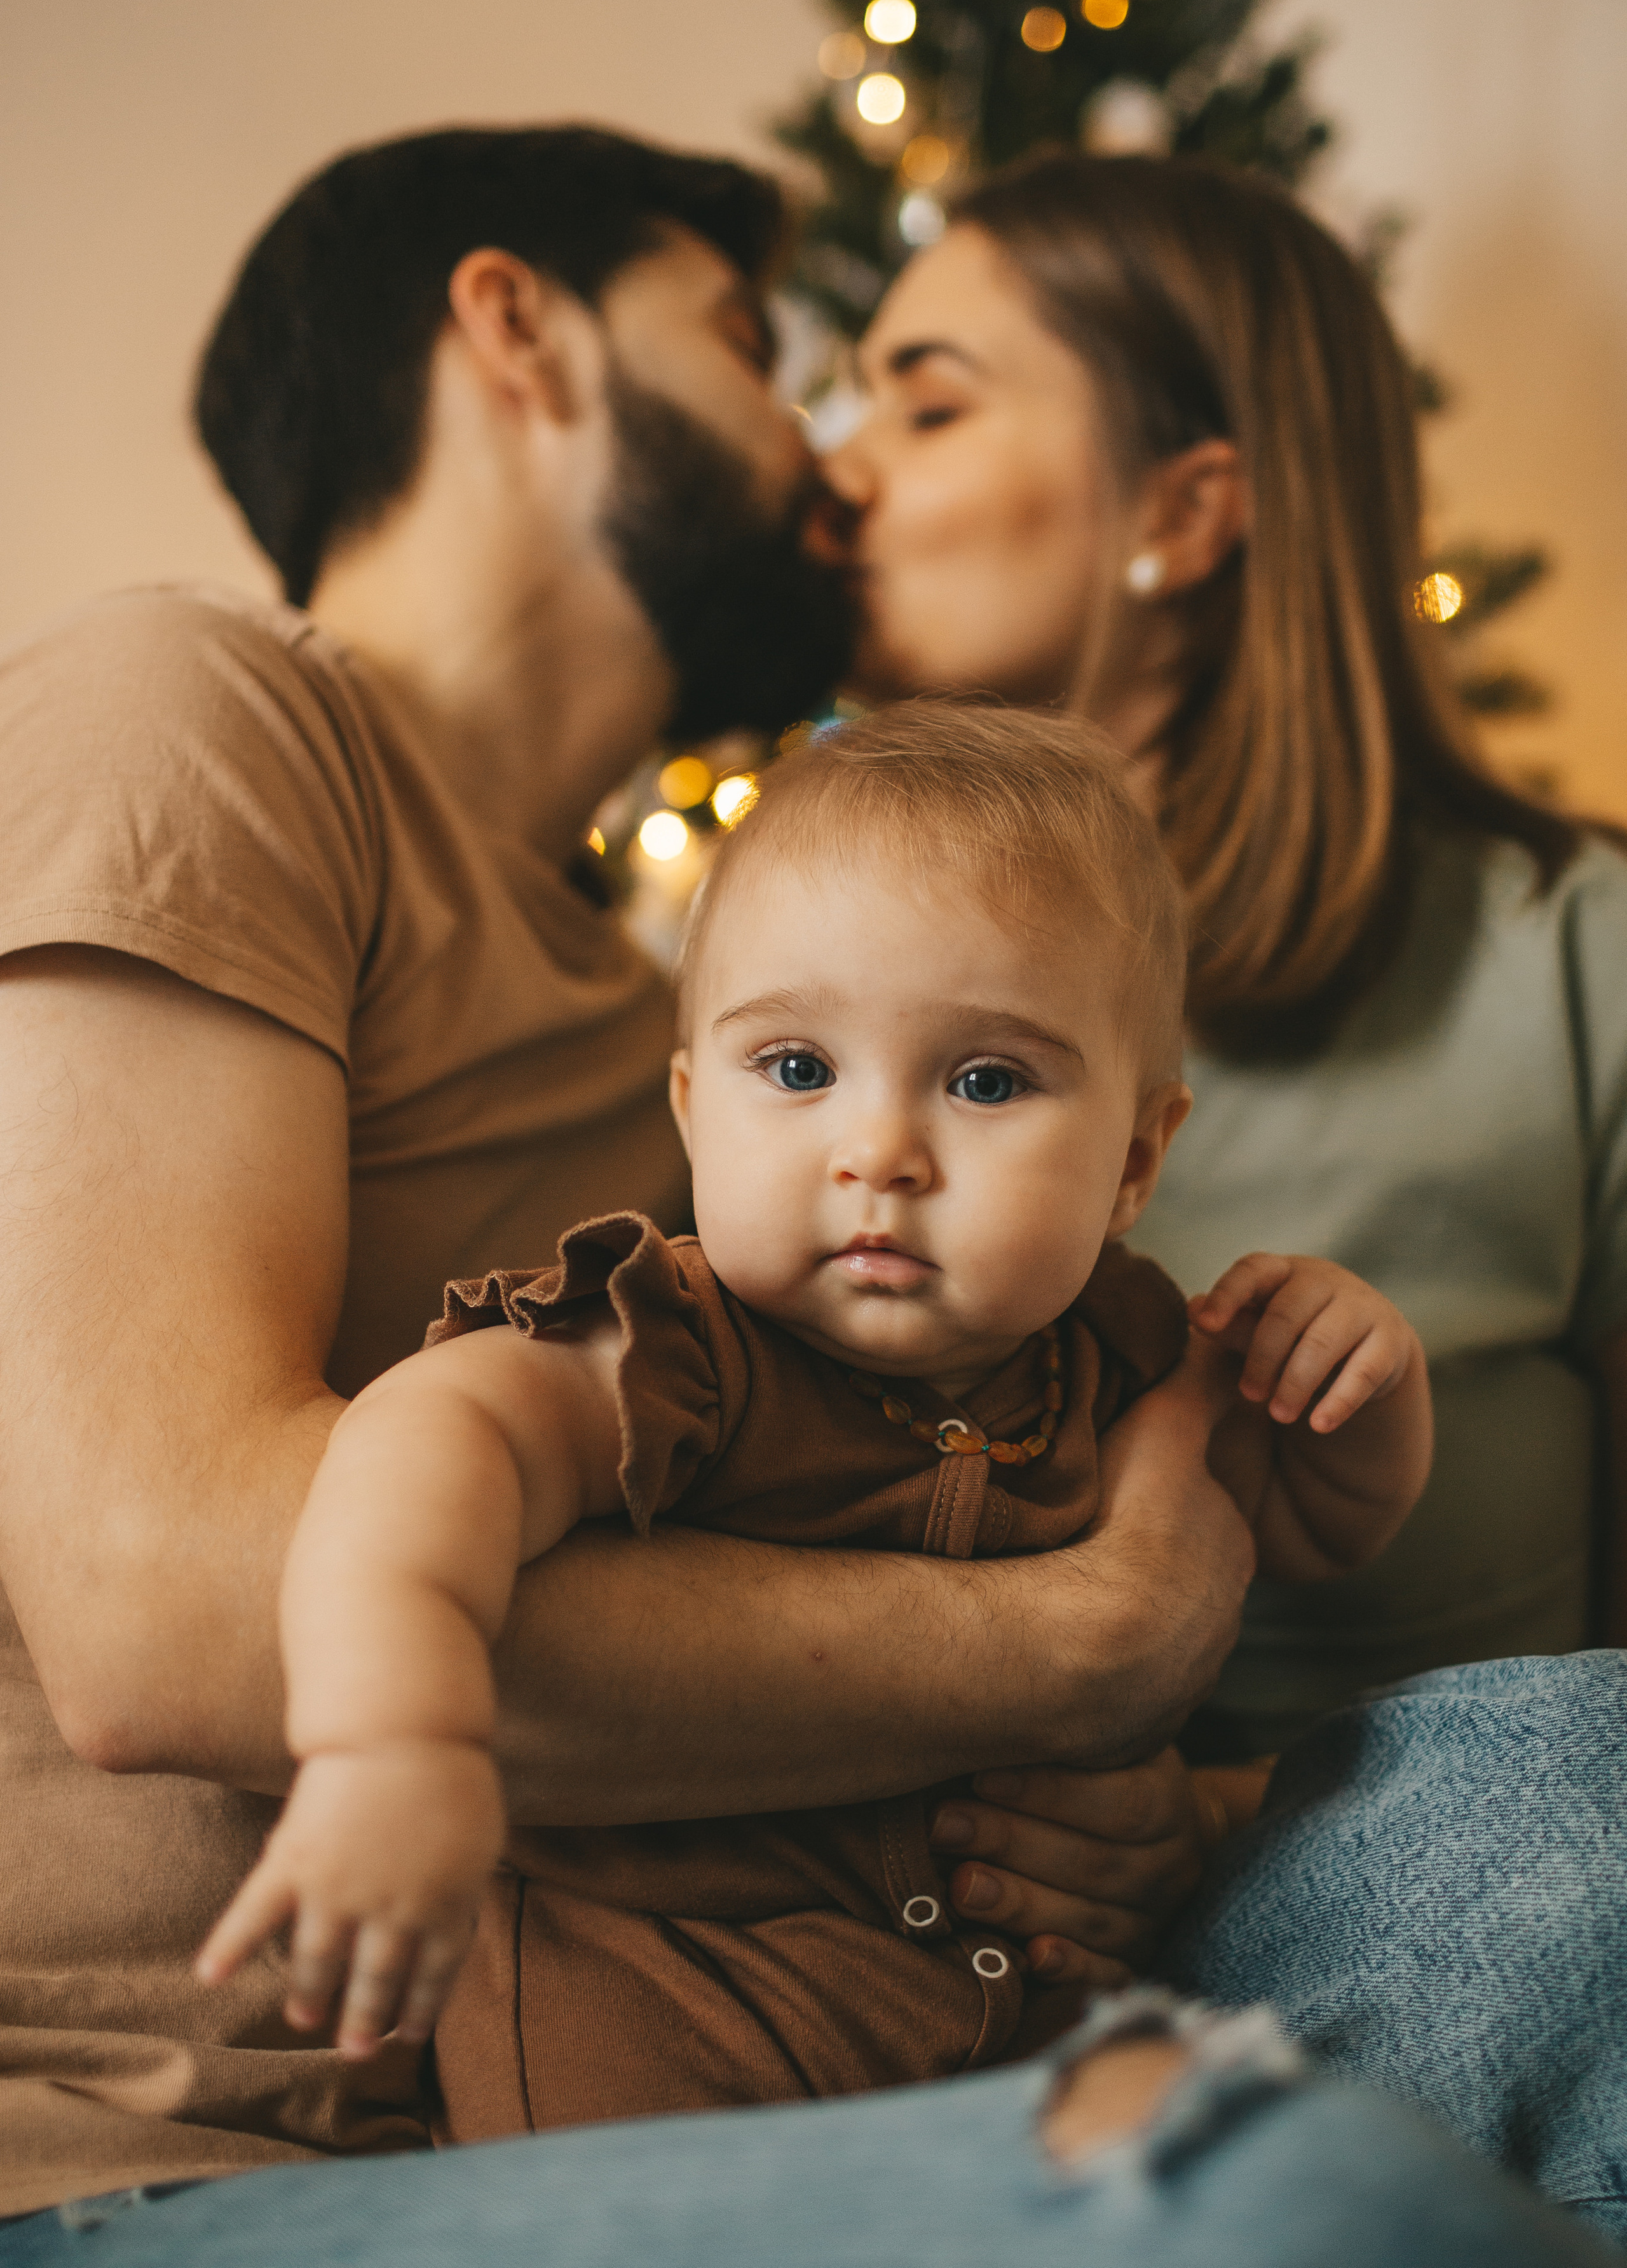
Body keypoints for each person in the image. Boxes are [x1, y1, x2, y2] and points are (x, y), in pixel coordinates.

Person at [0, 126, 1258, 2223]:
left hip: (638, 2100)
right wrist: (1075, 1651)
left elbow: (820, 1526)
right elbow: (158, 1613)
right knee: (1313, 2212)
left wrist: (1113, 1806)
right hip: (148, 2148)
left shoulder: (691, 1041)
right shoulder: (198, 713)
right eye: (760, 351)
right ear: (524, 334)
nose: (835, 457)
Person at [195, 705, 1430, 2131]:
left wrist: (1355, 1378)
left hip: (1017, 2065)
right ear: (688, 1106)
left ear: (1135, 1159)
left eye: (983, 1081)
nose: (878, 1154)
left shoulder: (1125, 1353)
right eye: (795, 1070)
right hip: (663, 2066)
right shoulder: (679, 1341)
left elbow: (1315, 1523)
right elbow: (426, 1442)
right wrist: (391, 1744)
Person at [824, 149, 1627, 1760]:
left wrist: (1198, 1833)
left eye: (925, 407)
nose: (837, 474)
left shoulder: (1572, 961)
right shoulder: (775, 948)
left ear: (1183, 511)